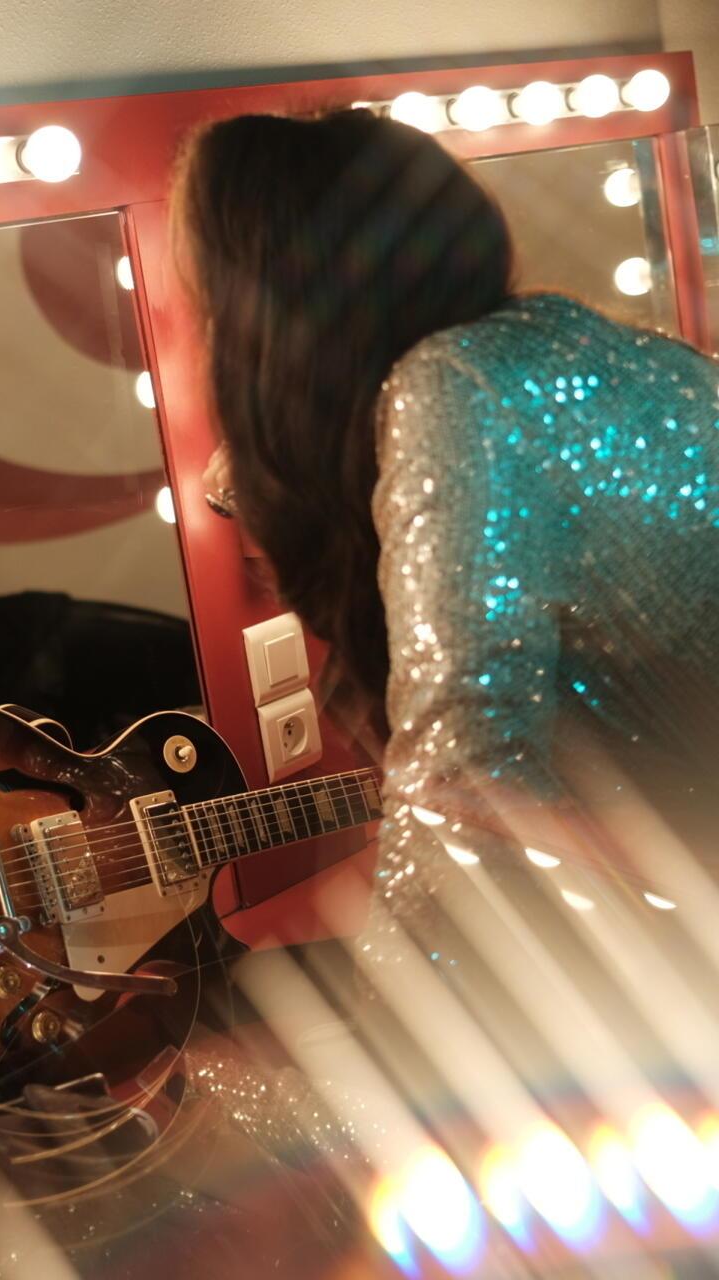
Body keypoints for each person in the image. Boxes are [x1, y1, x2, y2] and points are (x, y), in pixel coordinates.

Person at [174, 110, 719, 956]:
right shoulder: (605, 350)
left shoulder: (457, 386)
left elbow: (462, 784)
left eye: (215, 312)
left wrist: (380, 1004)